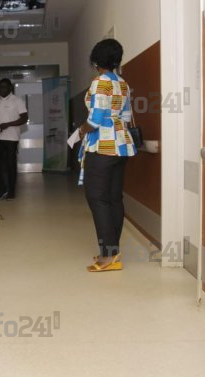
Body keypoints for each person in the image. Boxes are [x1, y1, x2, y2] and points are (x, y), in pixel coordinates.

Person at [77, 39, 137, 272]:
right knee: (113, 198)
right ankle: (112, 251)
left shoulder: (100, 82)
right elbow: (126, 116)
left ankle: (108, 255)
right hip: (121, 146)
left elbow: (95, 120)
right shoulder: (123, 83)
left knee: (97, 198)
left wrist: (82, 130)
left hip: (102, 147)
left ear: (95, 61)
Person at [0, 78, 28, 201]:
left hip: (11, 138)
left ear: (10, 88)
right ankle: (2, 189)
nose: (2, 89)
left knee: (10, 164)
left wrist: (8, 124)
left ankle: (11, 191)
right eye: (0, 87)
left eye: (4, 87)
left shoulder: (17, 101)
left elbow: (24, 118)